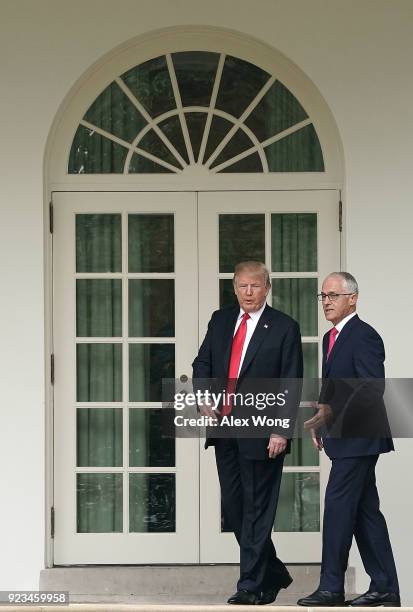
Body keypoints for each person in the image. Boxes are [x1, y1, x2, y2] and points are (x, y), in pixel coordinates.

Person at [192, 261, 303, 605]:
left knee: (257, 508)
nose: (249, 292)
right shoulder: (221, 319)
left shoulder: (284, 327)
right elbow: (203, 363)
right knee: (236, 507)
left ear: (267, 287)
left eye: (255, 286)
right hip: (225, 429)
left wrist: (281, 430)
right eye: (242, 286)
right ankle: (274, 573)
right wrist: (203, 394)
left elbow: (291, 381)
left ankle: (251, 585)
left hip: (263, 432)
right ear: (234, 288)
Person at [297, 272, 400, 607]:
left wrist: (331, 412)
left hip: (361, 437)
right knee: (365, 512)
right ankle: (385, 587)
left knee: (339, 510)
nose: (326, 301)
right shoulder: (332, 337)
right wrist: (321, 420)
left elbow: (373, 388)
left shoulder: (364, 336)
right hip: (343, 438)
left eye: (333, 295)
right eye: (323, 295)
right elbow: (333, 390)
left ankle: (331, 588)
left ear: (353, 298)